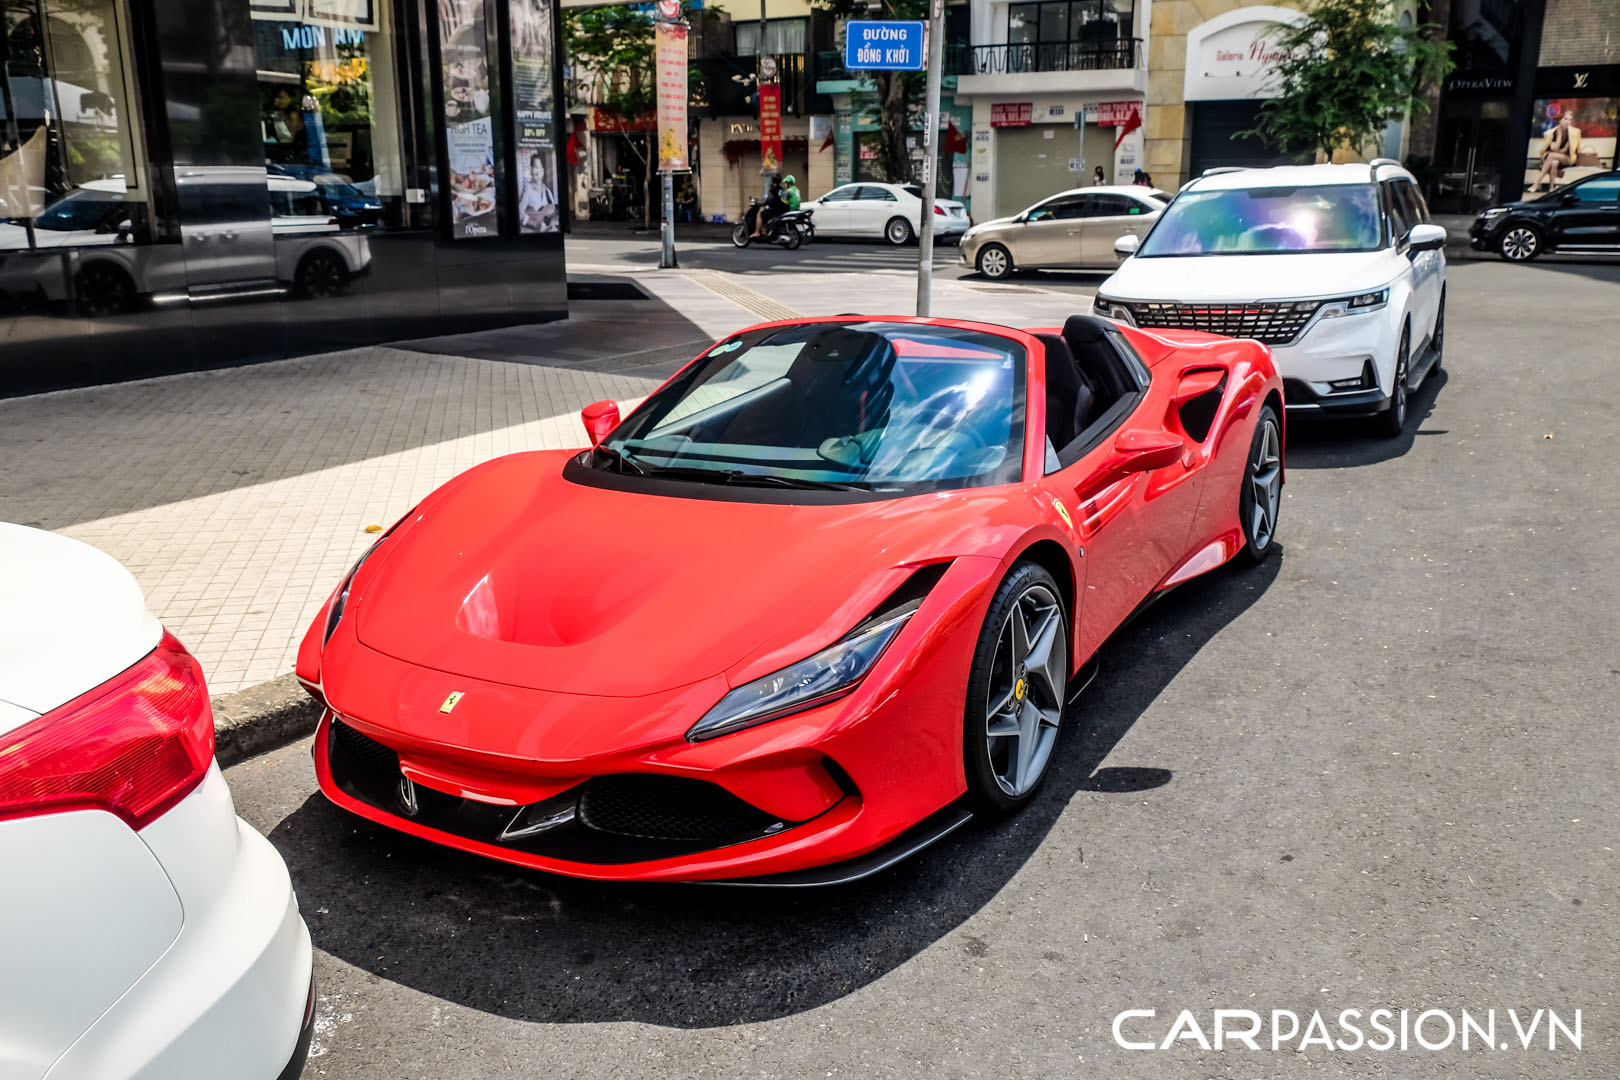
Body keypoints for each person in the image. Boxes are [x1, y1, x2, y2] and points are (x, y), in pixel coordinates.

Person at [1530, 112, 1581, 193]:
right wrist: (1559, 135)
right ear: (1559, 121)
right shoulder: (1551, 133)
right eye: (1565, 119)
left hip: (1567, 158)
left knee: (1551, 156)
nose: (1568, 122)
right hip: (1554, 158)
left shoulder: (1574, 133)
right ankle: (1551, 188)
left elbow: (1564, 150)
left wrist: (1557, 151)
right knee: (1554, 162)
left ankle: (1536, 184)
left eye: (1570, 120)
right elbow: (1555, 148)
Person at [517, 151, 558, 232]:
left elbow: (553, 212)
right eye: (535, 167)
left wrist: (553, 222)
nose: (538, 171)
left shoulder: (547, 191)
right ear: (530, 169)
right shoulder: (528, 190)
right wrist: (534, 223)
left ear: (543, 171)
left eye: (540, 168)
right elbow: (519, 212)